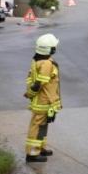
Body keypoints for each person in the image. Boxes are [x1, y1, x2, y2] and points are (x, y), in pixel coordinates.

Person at [24, 33, 61, 162]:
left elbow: (30, 79)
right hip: (44, 101)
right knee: (37, 126)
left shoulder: (37, 60)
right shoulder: (46, 64)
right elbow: (39, 83)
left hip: (45, 101)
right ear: (50, 49)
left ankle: (40, 148)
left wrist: (30, 93)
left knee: (42, 125)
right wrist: (31, 93)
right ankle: (32, 154)